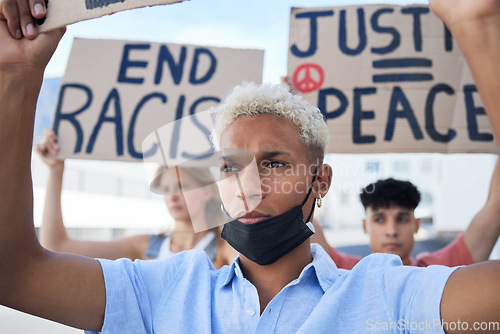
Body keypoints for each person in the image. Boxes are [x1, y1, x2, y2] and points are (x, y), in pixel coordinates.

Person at [0, 0, 499, 333]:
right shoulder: (164, 289)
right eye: (230, 167)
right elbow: (14, 274)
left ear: (320, 180)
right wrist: (18, 75)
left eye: (276, 163)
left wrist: (476, 26)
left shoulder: (387, 294)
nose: (250, 186)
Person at [35, 130, 237, 266]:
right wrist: (56, 172)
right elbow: (56, 246)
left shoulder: (224, 248)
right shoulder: (145, 246)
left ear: (207, 191)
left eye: (181, 186)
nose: (172, 197)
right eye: (166, 189)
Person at [311, 167, 500, 269]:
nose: (392, 231)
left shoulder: (439, 269)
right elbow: (300, 213)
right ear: (365, 225)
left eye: (401, 219)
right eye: (379, 219)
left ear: (416, 225)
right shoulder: (345, 271)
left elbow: (495, 209)